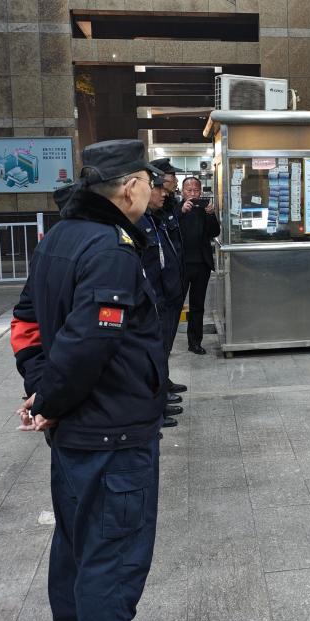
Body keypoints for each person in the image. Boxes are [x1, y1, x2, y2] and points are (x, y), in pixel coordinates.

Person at [10, 139, 169, 621]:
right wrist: (49, 400)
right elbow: (88, 344)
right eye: (149, 182)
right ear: (131, 186)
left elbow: (25, 323)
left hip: (76, 433)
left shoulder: (60, 236)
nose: (151, 191)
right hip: (112, 433)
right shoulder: (110, 248)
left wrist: (41, 390)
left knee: (76, 548)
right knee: (112, 563)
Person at [137, 166, 185, 427]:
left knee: (162, 349)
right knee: (152, 354)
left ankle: (160, 395)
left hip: (167, 294)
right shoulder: (138, 222)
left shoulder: (155, 217)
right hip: (155, 298)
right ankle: (156, 406)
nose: (165, 193)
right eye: (158, 188)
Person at [178, 176, 220, 354]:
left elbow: (215, 232)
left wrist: (210, 214)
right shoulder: (175, 209)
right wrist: (181, 212)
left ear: (201, 192)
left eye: (196, 190)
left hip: (201, 264)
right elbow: (170, 229)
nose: (193, 194)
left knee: (198, 305)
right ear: (182, 192)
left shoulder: (204, 210)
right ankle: (165, 342)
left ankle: (195, 342)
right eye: (189, 190)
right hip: (181, 265)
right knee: (175, 304)